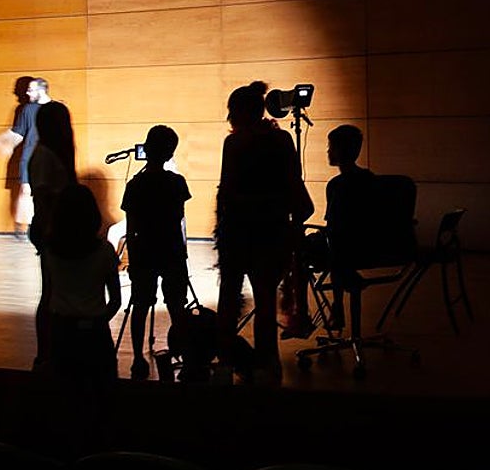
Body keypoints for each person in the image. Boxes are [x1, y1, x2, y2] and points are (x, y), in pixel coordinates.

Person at [213, 81, 314, 386]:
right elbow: (294, 185)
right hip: (272, 232)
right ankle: (267, 365)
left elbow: (226, 192)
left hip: (239, 233)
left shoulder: (234, 145)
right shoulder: (282, 140)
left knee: (229, 302)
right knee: (266, 302)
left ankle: (228, 362)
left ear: (240, 113)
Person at [120, 124, 193, 381]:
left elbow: (130, 229)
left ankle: (138, 359)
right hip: (172, 251)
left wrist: (132, 257)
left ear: (146, 148)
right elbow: (179, 220)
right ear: (170, 153)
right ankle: (187, 360)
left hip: (144, 253)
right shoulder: (177, 183)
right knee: (176, 306)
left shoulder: (135, 185)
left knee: (140, 306)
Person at [45, 182, 122, 391]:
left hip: (61, 330)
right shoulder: (104, 251)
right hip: (95, 332)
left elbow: (47, 296)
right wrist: (97, 320)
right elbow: (116, 299)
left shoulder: (49, 250)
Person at [305, 124, 375, 332]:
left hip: (345, 250)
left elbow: (334, 226)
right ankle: (339, 303)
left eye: (330, 147)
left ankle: (313, 312)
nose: (328, 151)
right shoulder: (371, 179)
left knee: (319, 246)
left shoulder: (336, 185)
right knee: (338, 244)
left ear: (339, 150)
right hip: (372, 248)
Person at [28, 98, 77, 371]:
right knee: (50, 293)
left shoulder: (49, 153)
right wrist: (50, 232)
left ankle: (51, 351)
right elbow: (44, 198)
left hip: (57, 229)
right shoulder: (45, 154)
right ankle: (44, 353)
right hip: (53, 230)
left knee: (54, 291)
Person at [0, 76, 52, 241]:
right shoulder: (27, 109)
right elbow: (18, 133)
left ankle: (48, 227)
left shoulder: (55, 108)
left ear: (41, 90)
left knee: (49, 193)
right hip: (29, 157)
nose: (27, 93)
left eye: (31, 90)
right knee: (26, 191)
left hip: (49, 159)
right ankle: (28, 228)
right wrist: (0, 141)